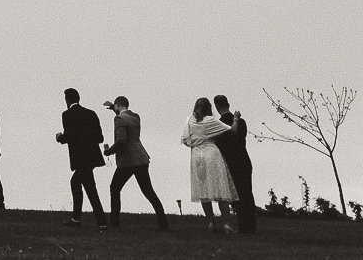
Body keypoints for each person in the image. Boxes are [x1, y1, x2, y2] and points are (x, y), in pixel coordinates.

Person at [101, 96, 167, 229]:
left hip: (128, 160)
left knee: (114, 188)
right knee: (148, 191)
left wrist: (109, 151)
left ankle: (114, 223)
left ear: (118, 105)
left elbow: (121, 141)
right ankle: (163, 223)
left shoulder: (118, 119)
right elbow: (123, 114)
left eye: (115, 106)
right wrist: (113, 107)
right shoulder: (136, 117)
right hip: (141, 158)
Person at [183, 97, 237, 231]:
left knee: (203, 189)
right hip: (212, 154)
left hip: (197, 156)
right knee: (220, 189)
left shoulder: (189, 120)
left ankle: (211, 222)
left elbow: (185, 140)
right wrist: (236, 118)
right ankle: (226, 224)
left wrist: (195, 143)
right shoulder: (211, 121)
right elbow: (232, 130)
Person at [56, 88, 107, 228]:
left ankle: (99, 222)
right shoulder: (91, 114)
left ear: (67, 100)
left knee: (89, 188)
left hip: (79, 158)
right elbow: (100, 137)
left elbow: (69, 136)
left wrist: (60, 138)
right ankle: (78, 218)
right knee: (81, 184)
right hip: (92, 157)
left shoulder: (67, 115)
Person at [213, 95, 256, 234]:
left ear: (216, 107)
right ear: (228, 104)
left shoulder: (218, 125)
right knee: (247, 194)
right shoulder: (241, 122)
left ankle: (242, 225)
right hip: (243, 161)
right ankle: (250, 225)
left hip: (229, 163)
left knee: (236, 197)